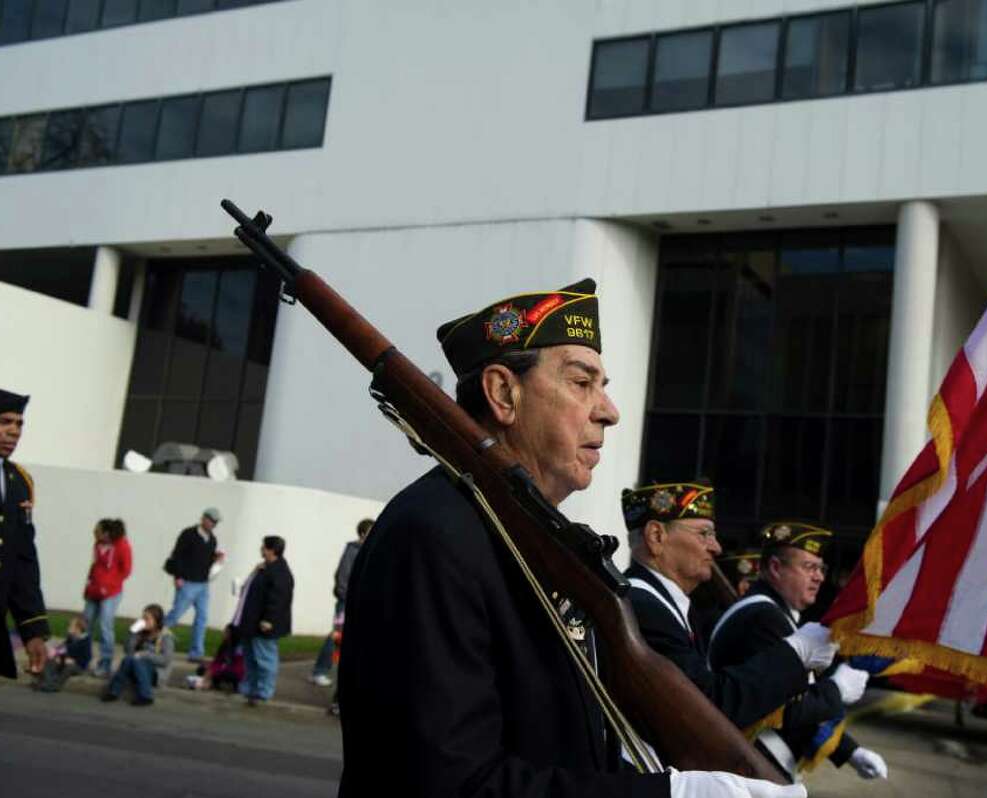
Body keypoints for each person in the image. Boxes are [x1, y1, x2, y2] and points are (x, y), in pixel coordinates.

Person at [339, 279, 805, 798]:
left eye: (601, 386)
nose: (608, 410)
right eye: (582, 383)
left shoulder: (535, 537)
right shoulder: (435, 534)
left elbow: (567, 751)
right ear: (502, 394)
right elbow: (452, 784)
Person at [619, 482, 837, 738]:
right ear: (656, 536)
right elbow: (706, 706)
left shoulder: (662, 603)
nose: (716, 547)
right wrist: (795, 653)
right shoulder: (643, 606)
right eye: (704, 534)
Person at [708, 522, 887, 783]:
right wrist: (836, 690)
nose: (819, 577)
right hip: (747, 765)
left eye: (821, 568)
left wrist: (850, 751)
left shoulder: (776, 614)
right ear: (776, 568)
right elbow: (787, 710)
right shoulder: (763, 617)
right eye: (808, 567)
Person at [0, 388, 48, 711]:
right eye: (4, 422)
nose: (14, 432)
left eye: (20, 424)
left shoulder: (18, 481)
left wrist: (32, 629)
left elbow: (21, 560)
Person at [308, 518, 374, 687]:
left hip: (354, 601)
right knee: (337, 636)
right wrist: (346, 597)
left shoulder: (364, 551)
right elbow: (343, 577)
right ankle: (319, 671)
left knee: (345, 638)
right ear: (363, 533)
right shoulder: (353, 551)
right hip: (346, 602)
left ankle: (324, 671)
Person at [233, 535, 294, 707]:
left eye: (264, 547)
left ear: (272, 550)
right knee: (250, 658)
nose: (261, 549)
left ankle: (264, 691)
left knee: (265, 658)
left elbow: (279, 599)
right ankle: (250, 688)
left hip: (264, 625)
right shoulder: (265, 568)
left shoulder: (280, 572)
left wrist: (269, 619)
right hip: (251, 622)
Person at [163, 508, 224, 661]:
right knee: (175, 614)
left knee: (202, 618)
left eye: (215, 522)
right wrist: (178, 576)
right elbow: (177, 555)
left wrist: (216, 558)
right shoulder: (188, 534)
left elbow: (206, 561)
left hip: (203, 584)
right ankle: (151, 637)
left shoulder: (212, 539)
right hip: (187, 582)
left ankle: (196, 652)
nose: (213, 524)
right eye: (211, 520)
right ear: (203, 518)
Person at [83, 517, 132, 677]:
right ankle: (82, 659)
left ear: (106, 533)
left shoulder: (122, 546)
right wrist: (89, 584)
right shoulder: (97, 545)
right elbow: (95, 565)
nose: (93, 533)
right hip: (94, 590)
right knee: (86, 624)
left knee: (105, 625)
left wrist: (109, 585)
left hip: (111, 593)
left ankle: (105, 663)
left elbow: (126, 570)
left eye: (97, 531)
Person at [101, 604, 174, 707]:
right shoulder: (140, 632)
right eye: (143, 618)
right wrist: (133, 632)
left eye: (147, 619)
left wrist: (144, 655)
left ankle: (146, 696)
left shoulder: (166, 636)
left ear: (156, 621)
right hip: (138, 669)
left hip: (156, 673)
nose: (144, 621)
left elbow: (165, 660)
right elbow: (128, 650)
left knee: (137, 660)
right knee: (128, 659)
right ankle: (113, 692)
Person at [37, 615, 92, 693]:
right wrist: (58, 655)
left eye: (71, 626)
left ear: (78, 629)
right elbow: (63, 646)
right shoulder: (71, 637)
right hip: (66, 660)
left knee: (69, 668)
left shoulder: (85, 641)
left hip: (79, 665)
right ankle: (47, 681)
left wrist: (74, 661)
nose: (68, 627)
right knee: (50, 662)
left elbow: (86, 657)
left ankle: (55, 686)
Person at [186, 624, 245, 693]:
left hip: (234, 672)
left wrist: (216, 670)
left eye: (226, 632)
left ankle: (212, 683)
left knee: (224, 674)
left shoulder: (239, 648)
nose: (223, 633)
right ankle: (208, 683)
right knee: (202, 669)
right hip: (224, 669)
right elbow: (217, 661)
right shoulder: (225, 645)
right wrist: (210, 668)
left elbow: (238, 668)